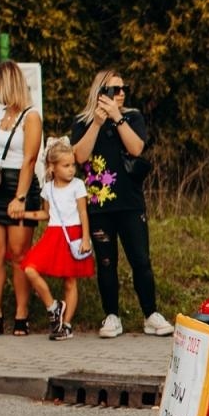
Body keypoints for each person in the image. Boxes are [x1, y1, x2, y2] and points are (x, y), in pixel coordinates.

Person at [69, 68, 173, 337]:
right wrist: (97, 123)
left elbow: (136, 148)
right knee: (106, 262)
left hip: (130, 202)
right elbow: (79, 156)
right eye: (116, 89)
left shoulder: (132, 117)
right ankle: (111, 315)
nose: (122, 93)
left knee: (140, 259)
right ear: (101, 92)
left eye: (124, 88)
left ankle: (151, 313)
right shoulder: (82, 121)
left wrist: (117, 119)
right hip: (99, 205)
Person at [0, 61, 42, 337]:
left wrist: (20, 197)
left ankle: (21, 313)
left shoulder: (31, 116)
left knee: (19, 255)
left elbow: (29, 159)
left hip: (21, 184)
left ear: (7, 83)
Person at [23, 140, 95, 340]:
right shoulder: (47, 188)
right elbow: (45, 214)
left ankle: (66, 324)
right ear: (52, 167)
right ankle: (53, 306)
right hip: (53, 235)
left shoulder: (78, 185)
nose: (71, 169)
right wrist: (24, 215)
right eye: (66, 166)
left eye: (73, 165)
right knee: (29, 268)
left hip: (72, 234)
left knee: (70, 281)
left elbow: (83, 212)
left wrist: (86, 238)